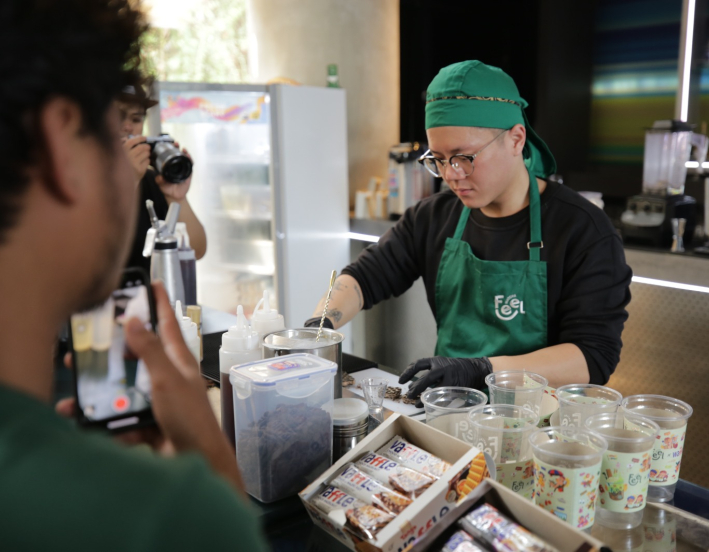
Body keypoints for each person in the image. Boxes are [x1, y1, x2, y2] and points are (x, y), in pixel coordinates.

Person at [0, 1, 266, 549]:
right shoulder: (169, 518)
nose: (130, 133)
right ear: (62, 144)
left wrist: (173, 198)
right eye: (112, 124)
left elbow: (197, 244)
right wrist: (212, 469)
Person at [307, 61, 632, 397]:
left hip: (540, 427)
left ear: (516, 139)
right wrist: (320, 326)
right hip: (449, 411)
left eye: (464, 157)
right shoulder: (433, 217)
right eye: (439, 159)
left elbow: (593, 357)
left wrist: (483, 370)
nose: (451, 174)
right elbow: (364, 277)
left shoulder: (582, 229)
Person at [118, 84, 207, 272]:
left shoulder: (151, 179)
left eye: (136, 119)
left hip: (153, 299)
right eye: (118, 116)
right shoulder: (79, 180)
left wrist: (177, 197)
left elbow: (195, 250)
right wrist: (128, 180)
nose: (128, 126)